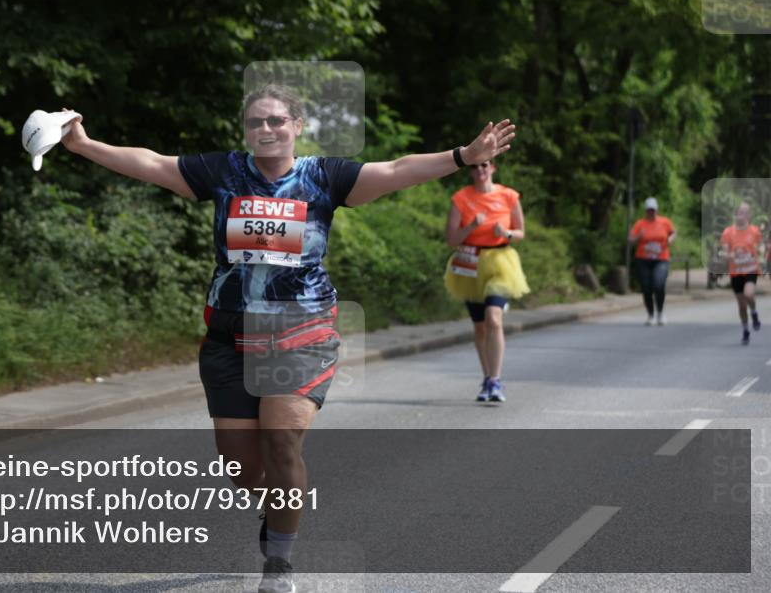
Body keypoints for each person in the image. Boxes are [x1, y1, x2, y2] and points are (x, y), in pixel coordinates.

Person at [59, 86, 516, 593]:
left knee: (281, 443)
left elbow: (393, 170)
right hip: (229, 333)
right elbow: (152, 163)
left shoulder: (324, 177)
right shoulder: (223, 171)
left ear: (297, 125)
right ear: (246, 130)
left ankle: (278, 565)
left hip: (303, 331)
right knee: (238, 465)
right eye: (256, 122)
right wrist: (84, 145)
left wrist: (461, 157)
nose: (267, 130)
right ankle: (277, 509)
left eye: (277, 121)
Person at [443, 159, 529, 403]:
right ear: (470, 171)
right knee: (480, 326)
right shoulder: (461, 198)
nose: (480, 170)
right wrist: (471, 226)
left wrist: (507, 233)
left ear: (493, 168)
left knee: (493, 318)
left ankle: (496, 380)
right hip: (470, 262)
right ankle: (487, 377)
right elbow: (451, 238)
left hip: (501, 260)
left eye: (485, 165)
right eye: (475, 166)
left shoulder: (509, 195)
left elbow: (521, 231)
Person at [628, 197, 677, 326]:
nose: (651, 212)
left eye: (653, 210)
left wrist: (671, 238)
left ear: (657, 210)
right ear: (646, 211)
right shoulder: (640, 224)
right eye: (649, 210)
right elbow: (630, 240)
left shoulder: (664, 222)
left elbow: (673, 232)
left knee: (658, 284)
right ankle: (651, 314)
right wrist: (638, 237)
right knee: (646, 287)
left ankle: (660, 313)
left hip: (661, 259)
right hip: (643, 259)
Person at [720, 202, 763, 345]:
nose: (741, 215)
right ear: (735, 214)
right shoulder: (728, 232)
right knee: (741, 305)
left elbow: (761, 249)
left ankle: (754, 313)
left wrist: (758, 255)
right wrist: (731, 255)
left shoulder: (755, 231)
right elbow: (725, 252)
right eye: (739, 212)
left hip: (750, 270)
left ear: (749, 216)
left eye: (745, 212)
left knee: (748, 294)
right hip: (736, 271)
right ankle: (745, 329)